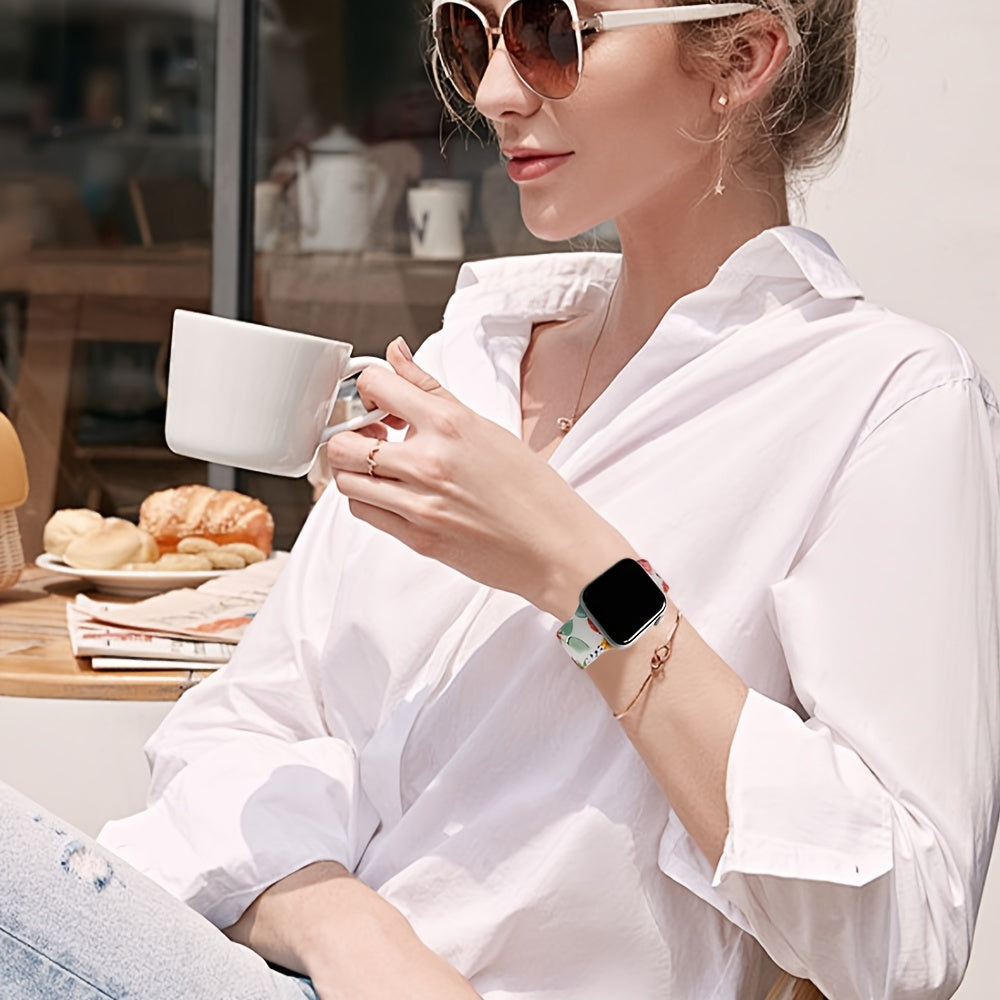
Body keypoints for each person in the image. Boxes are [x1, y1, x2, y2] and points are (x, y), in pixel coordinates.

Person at [3, 1, 998, 997]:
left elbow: (903, 931)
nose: (491, 93)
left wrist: (578, 573)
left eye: (550, 32)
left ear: (741, 58)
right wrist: (347, 930)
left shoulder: (879, 403)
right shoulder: (468, 363)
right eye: (469, 34)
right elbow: (235, 730)